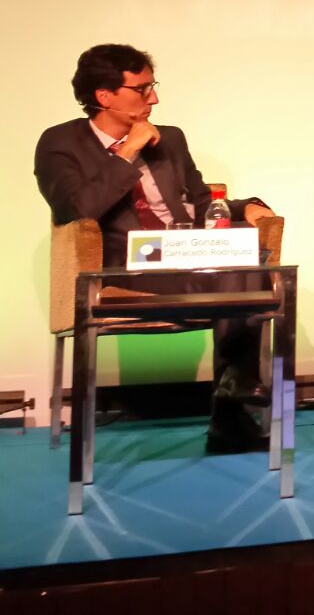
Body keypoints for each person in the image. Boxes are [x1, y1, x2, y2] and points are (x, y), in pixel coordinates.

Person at [34, 44, 279, 454]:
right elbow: (76, 210)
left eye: (153, 86)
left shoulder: (171, 139)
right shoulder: (60, 143)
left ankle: (234, 385)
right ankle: (231, 406)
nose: (155, 99)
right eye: (142, 89)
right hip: (124, 269)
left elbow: (201, 202)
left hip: (185, 255)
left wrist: (245, 207)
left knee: (243, 248)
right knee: (240, 271)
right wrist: (127, 151)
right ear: (104, 96)